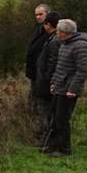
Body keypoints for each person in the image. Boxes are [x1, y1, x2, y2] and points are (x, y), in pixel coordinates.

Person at [46, 19, 87, 157]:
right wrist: (54, 82)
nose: (57, 33)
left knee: (62, 120)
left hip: (69, 89)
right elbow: (60, 67)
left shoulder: (81, 46)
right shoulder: (65, 44)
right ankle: (52, 146)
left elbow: (82, 70)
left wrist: (73, 89)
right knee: (54, 117)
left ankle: (64, 149)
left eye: (59, 31)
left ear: (66, 32)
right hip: (59, 86)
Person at [32, 10, 61, 144]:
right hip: (45, 81)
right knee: (45, 111)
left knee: (46, 112)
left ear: (48, 24)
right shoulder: (52, 38)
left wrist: (46, 78)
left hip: (46, 83)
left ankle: (46, 140)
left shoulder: (54, 40)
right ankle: (45, 138)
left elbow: (53, 62)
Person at [25, 3, 51, 92]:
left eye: (41, 14)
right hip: (34, 74)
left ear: (48, 14)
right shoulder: (39, 30)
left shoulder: (54, 33)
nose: (38, 17)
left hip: (43, 76)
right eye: (36, 15)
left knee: (42, 102)